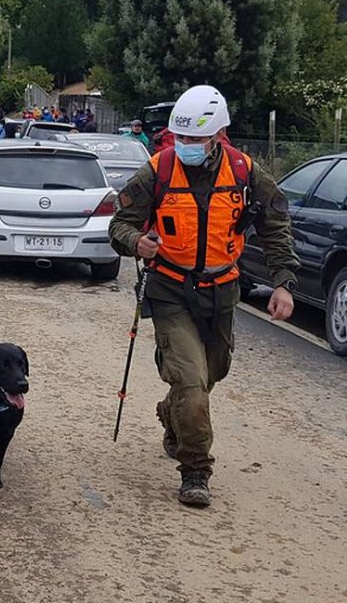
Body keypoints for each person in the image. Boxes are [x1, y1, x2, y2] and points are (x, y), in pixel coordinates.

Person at [108, 84, 298, 508]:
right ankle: (195, 470)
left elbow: (276, 226)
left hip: (221, 291)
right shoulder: (157, 171)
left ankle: (171, 413)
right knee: (192, 382)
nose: (186, 147)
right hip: (171, 288)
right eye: (180, 138)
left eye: (195, 139)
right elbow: (118, 225)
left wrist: (284, 282)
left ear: (217, 136)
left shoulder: (246, 172)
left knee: (212, 374)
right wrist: (136, 242)